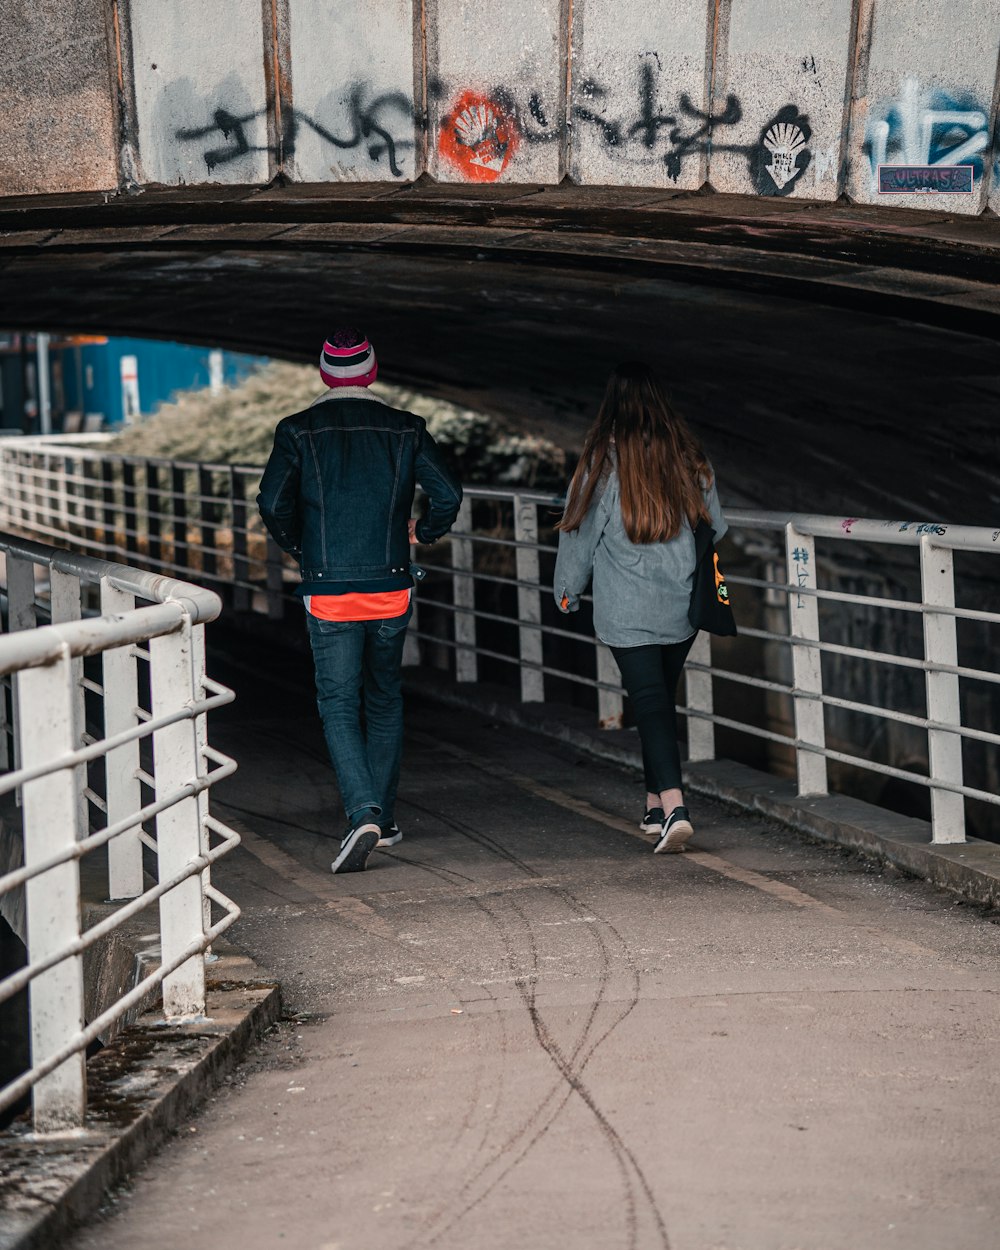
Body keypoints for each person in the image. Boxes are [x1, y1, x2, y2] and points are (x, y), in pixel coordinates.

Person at [258, 329, 463, 873]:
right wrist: (424, 530)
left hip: (329, 590)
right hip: (391, 585)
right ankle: (386, 818)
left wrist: (300, 544)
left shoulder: (297, 431)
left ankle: (364, 812)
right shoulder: (406, 428)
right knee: (384, 697)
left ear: (325, 375)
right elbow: (448, 493)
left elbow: (271, 502)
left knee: (338, 705)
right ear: (371, 372)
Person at [553, 360, 727, 853]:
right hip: (681, 604)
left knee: (649, 702)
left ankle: (675, 808)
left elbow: (580, 536)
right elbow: (718, 528)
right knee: (658, 699)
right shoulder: (691, 459)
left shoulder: (601, 467)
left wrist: (567, 591)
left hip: (626, 608)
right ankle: (655, 804)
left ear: (612, 409)